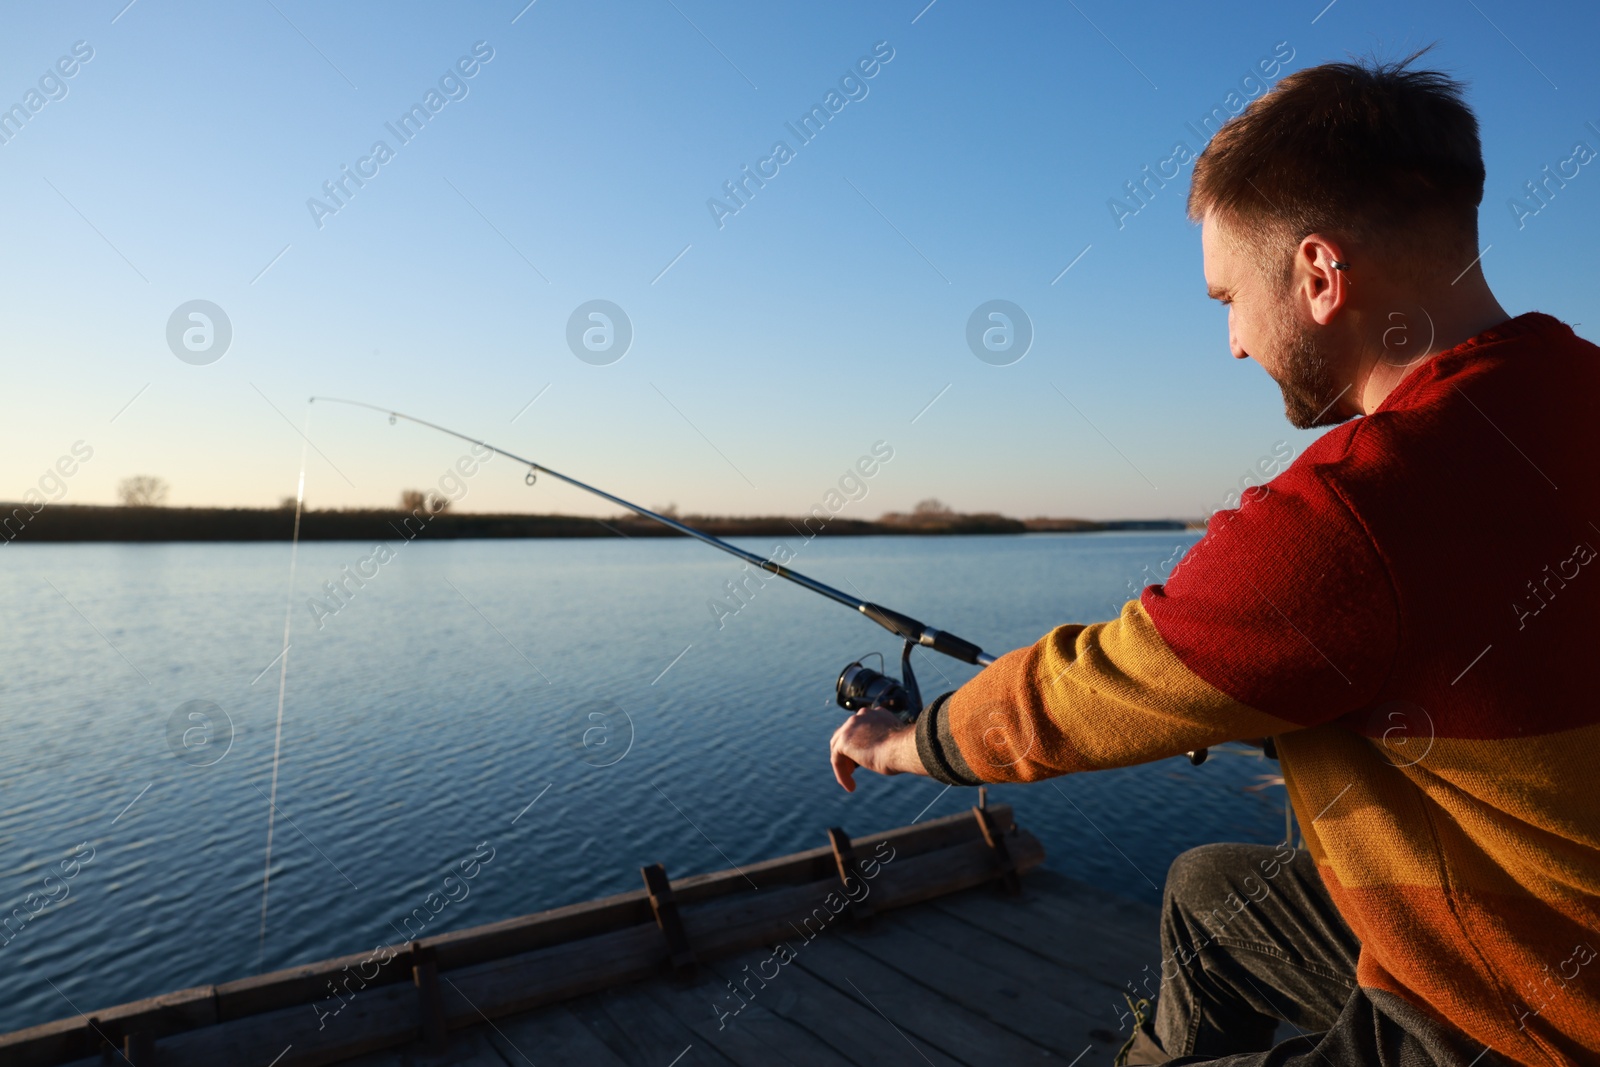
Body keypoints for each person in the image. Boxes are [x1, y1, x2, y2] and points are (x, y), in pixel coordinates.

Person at [829, 50, 1600, 1067]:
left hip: (1522, 1014)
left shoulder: (1352, 509)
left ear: (1319, 275)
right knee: (1209, 889)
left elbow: (1086, 689)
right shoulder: (1567, 390)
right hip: (1532, 913)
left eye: (1226, 298)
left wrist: (900, 741)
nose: (1233, 343)